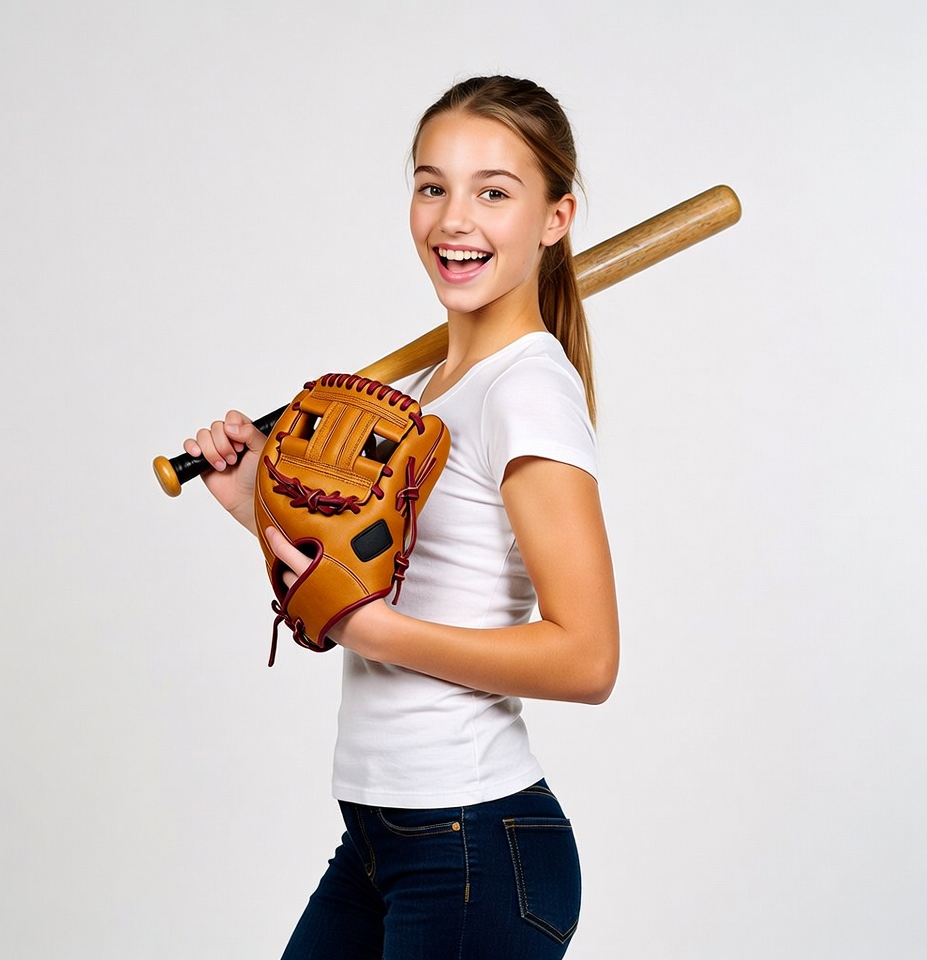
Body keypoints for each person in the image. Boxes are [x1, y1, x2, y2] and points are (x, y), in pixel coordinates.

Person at [183, 75, 619, 960]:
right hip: (386, 837)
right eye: (433, 186)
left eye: (494, 192)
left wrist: (373, 632)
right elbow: (380, 578)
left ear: (555, 217)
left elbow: (588, 656)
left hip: (472, 841)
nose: (454, 219)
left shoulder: (526, 391)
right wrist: (253, 503)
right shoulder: (432, 393)